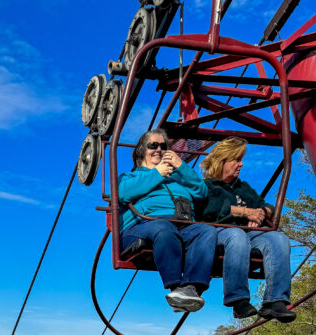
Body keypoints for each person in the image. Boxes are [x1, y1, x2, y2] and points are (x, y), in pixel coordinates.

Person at [119, 129, 216, 313]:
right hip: (143, 225)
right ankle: (175, 287)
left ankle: (191, 289)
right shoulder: (130, 177)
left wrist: (181, 167)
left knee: (206, 231)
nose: (158, 149)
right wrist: (157, 173)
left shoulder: (177, 179)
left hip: (183, 224)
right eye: (153, 145)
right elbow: (123, 193)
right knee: (164, 228)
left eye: (163, 146)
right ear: (141, 150)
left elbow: (201, 192)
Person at [200, 136, 295, 323]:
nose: (241, 164)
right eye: (237, 159)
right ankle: (238, 299)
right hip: (219, 232)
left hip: (249, 235)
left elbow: (267, 207)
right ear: (223, 160)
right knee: (236, 236)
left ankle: (275, 300)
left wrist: (261, 212)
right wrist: (245, 213)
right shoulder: (207, 187)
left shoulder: (242, 187)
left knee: (278, 238)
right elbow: (208, 209)